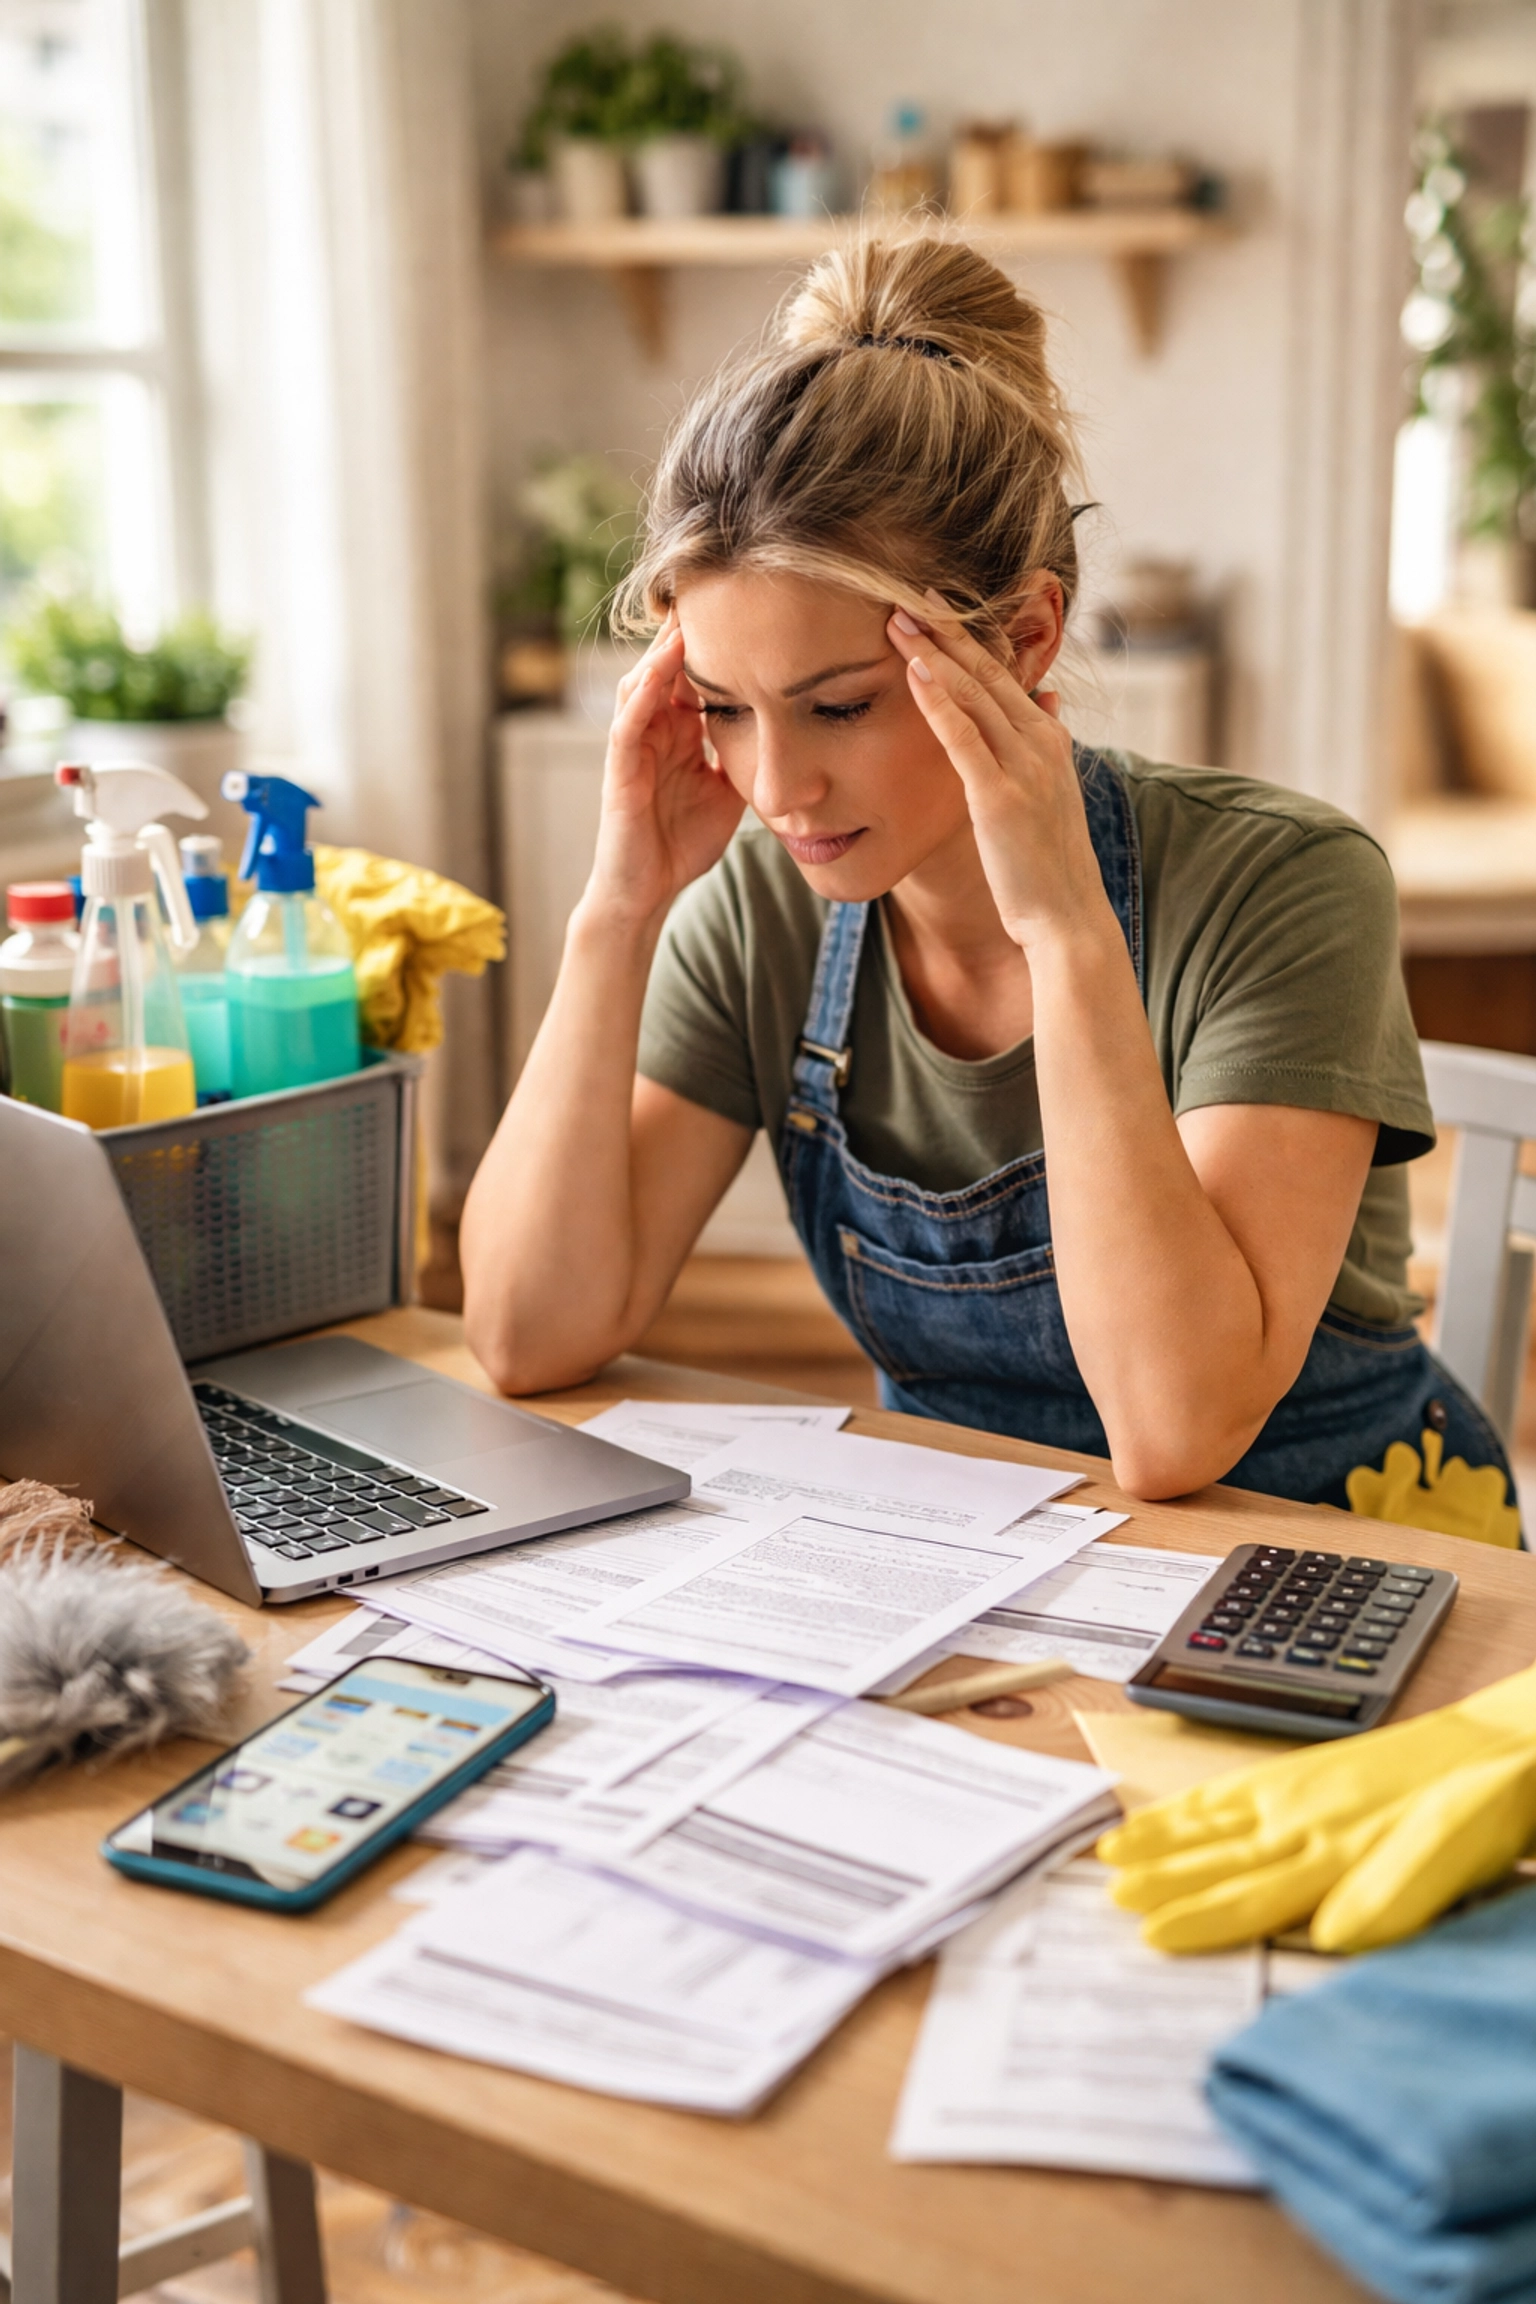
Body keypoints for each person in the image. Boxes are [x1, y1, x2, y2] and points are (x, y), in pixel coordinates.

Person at [462, 233, 1515, 1521]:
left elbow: (1174, 1432)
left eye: (839, 707)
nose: (775, 788)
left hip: (1346, 1568)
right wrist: (617, 910)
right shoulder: (761, 902)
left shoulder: (1284, 886)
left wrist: (1068, 931)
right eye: (726, 709)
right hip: (984, 1581)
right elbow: (526, 1334)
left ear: (1022, 639)